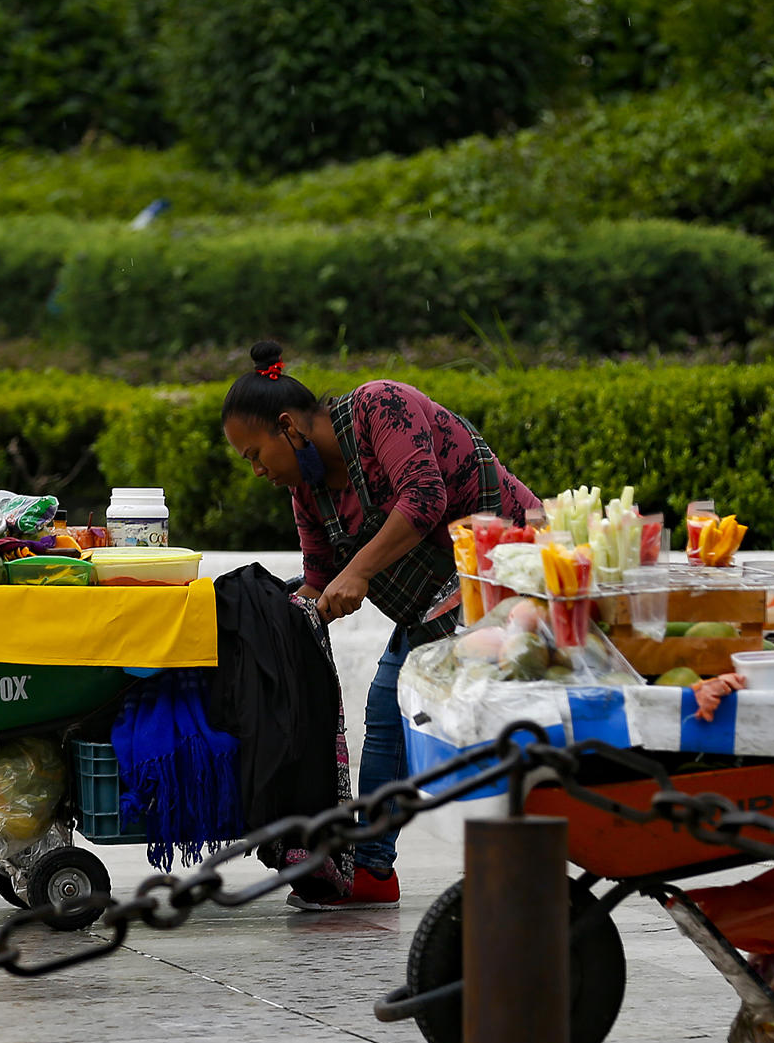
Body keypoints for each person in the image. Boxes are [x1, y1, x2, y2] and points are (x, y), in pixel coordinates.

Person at [220, 342, 540, 910]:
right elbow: (321, 578)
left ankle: (515, 866)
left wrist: (359, 571)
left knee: (490, 725)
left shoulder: (379, 407)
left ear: (288, 426)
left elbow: (423, 496)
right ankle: (370, 869)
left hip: (503, 576)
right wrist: (272, 620)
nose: (258, 470)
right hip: (429, 610)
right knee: (387, 715)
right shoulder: (307, 491)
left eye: (255, 453)